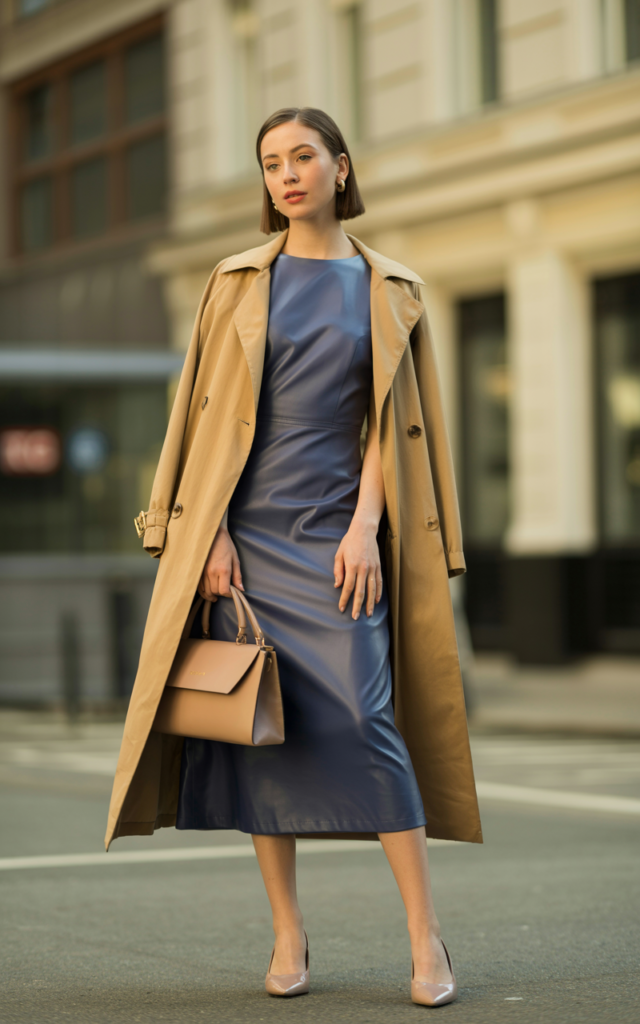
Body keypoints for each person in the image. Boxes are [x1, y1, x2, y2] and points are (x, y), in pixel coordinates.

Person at [105, 106, 482, 1008]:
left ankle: (425, 937)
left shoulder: (390, 287)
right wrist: (204, 533)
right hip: (244, 534)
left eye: (304, 156)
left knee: (368, 719)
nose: (288, 174)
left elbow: (392, 424)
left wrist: (365, 526)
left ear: (341, 168)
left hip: (340, 536)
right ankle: (287, 932)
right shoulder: (235, 280)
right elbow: (194, 411)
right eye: (272, 161)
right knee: (259, 729)